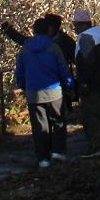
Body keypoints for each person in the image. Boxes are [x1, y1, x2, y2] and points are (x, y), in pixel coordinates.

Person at [13, 16, 72, 168]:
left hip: (34, 93)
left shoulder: (25, 49)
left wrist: (24, 86)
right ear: (48, 30)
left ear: (33, 31)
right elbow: (63, 68)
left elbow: (19, 71)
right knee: (58, 121)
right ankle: (58, 151)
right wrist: (70, 84)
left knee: (39, 126)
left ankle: (43, 158)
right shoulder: (54, 47)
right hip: (54, 92)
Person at [72, 7, 100, 151]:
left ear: (83, 24)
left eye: (76, 24)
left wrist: (83, 84)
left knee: (92, 117)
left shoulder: (86, 39)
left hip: (92, 86)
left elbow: (87, 63)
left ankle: (96, 146)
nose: (74, 28)